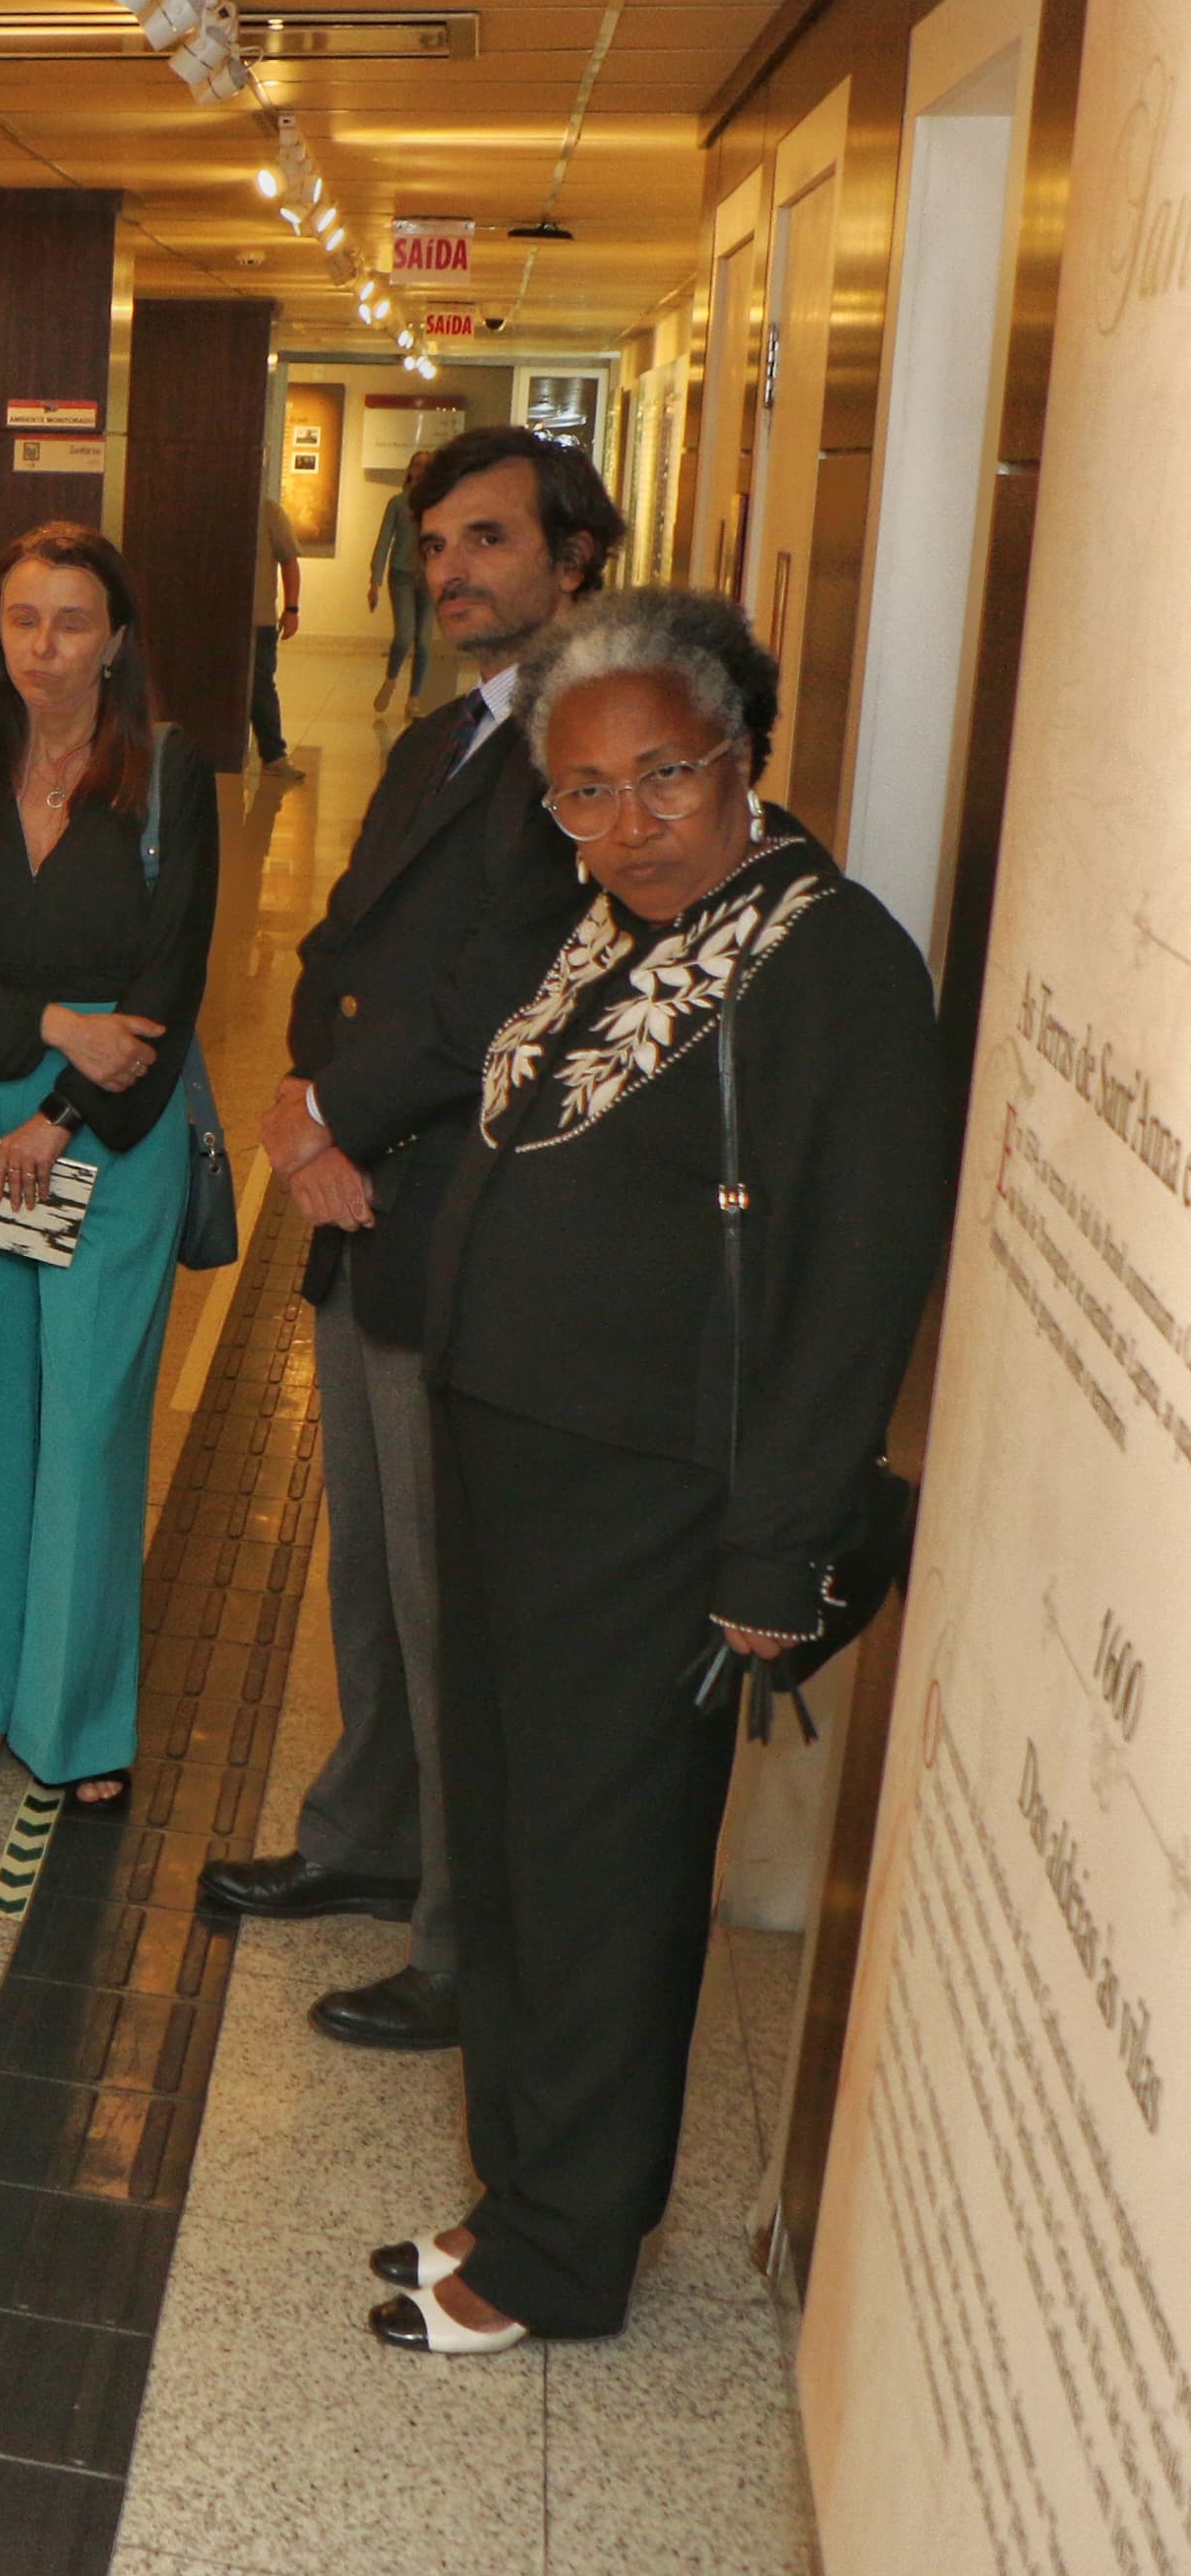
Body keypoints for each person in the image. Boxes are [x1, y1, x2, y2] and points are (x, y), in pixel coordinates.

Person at [374, 590, 946, 2353]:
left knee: (605, 1866)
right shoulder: (606, 927)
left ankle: (560, 2256)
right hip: (517, 1451)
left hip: (656, 1489)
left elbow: (855, 1271)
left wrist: (775, 1547)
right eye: (583, 791)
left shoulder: (830, 956)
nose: (624, 823)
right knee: (518, 1842)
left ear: (741, 760)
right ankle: (535, 2183)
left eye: (663, 779)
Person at [205, 425, 611, 2051]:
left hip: (455, 1214)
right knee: (369, 1566)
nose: (454, 572)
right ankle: (366, 1841)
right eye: (438, 543)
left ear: (573, 557)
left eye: (491, 541)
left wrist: (330, 1124)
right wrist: (301, 1091)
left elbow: (505, 993)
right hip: (367, 1198)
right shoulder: (452, 729)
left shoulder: (588, 740)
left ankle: (463, 1939)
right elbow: (347, 928)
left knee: (452, 1599)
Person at [0, 523, 216, 1810]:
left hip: (108, 1130)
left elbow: (170, 976)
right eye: (24, 618)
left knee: (84, 1423)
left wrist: (64, 1108)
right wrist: (40, 1030)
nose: (46, 645)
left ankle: (73, 1719)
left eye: (73, 620)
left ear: (117, 637)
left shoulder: (168, 777)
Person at [369, 479, 434, 713]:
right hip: (401, 575)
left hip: (429, 578)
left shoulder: (437, 502)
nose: (421, 472)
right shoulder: (397, 503)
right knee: (405, 635)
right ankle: (391, 678)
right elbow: (384, 540)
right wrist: (375, 579)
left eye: (427, 467)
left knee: (424, 643)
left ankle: (414, 699)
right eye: (417, 465)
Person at [249, 493, 302, 773]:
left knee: (262, 687)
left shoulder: (269, 512)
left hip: (260, 619)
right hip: (220, 623)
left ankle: (274, 755)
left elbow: (289, 560)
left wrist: (291, 609)